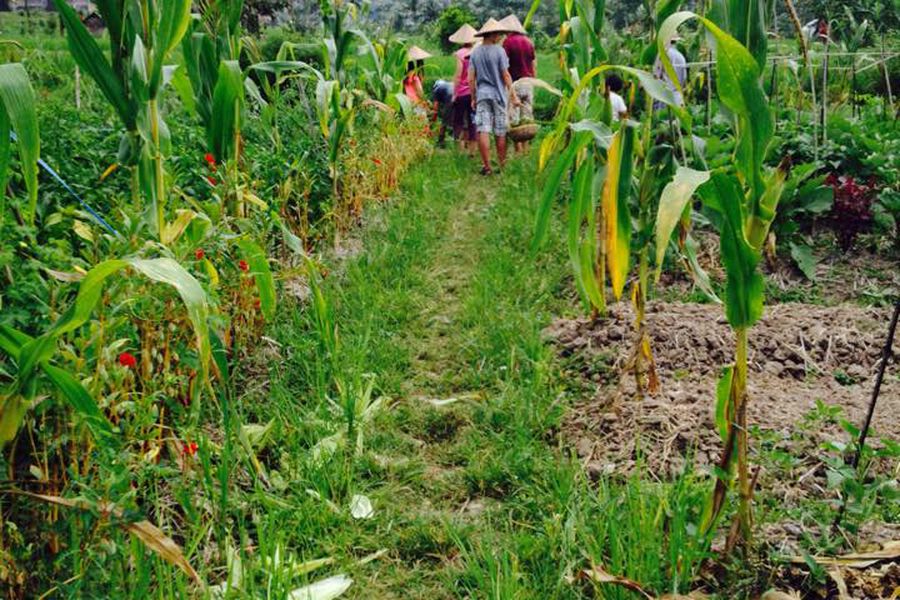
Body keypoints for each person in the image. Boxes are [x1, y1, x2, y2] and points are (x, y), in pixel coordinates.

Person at [469, 18, 520, 175]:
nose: (500, 37)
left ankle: (487, 167)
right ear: (492, 35)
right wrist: (513, 96)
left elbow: (471, 78)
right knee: (500, 130)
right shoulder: (499, 51)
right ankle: (502, 166)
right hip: (498, 96)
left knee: (483, 129)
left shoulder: (475, 52)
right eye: (498, 34)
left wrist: (473, 97)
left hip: (483, 95)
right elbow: (505, 75)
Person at [500, 14, 535, 153]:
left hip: (514, 83)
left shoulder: (507, 42)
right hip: (528, 82)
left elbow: (504, 66)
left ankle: (518, 150)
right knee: (527, 116)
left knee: (513, 118)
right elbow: (533, 64)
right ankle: (526, 149)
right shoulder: (528, 42)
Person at [449, 24, 478, 152]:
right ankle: (472, 150)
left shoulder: (460, 53)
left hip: (461, 93)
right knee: (473, 122)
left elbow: (458, 75)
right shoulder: (477, 52)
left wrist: (454, 94)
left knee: (458, 121)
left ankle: (459, 149)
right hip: (474, 92)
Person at [653, 36, 687, 108]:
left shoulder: (663, 54)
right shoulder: (680, 56)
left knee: (663, 118)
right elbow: (684, 78)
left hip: (665, 95)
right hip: (678, 96)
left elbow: (656, 76)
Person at [404, 46, 432, 114]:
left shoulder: (403, 79)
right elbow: (420, 92)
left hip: (406, 103)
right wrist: (425, 101)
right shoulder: (415, 78)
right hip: (416, 103)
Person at [431, 79, 454, 147]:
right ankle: (462, 141)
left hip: (450, 97)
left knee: (444, 121)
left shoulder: (437, 89)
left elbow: (435, 107)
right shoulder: (448, 84)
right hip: (462, 95)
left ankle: (441, 141)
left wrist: (433, 119)